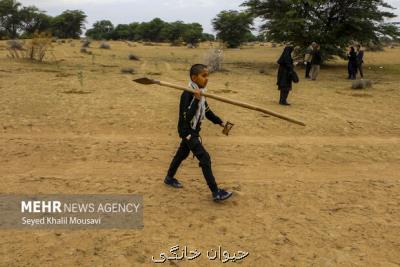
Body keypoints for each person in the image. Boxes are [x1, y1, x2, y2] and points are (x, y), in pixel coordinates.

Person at [164, 64, 233, 202]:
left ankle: (169, 178)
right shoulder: (187, 94)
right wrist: (195, 100)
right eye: (204, 76)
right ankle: (216, 192)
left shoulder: (201, 93)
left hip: (194, 130)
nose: (207, 79)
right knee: (205, 158)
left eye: (208, 76)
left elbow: (207, 112)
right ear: (194, 77)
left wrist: (220, 122)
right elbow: (186, 117)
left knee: (182, 154)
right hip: (187, 131)